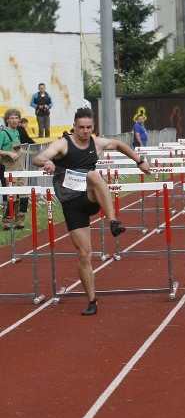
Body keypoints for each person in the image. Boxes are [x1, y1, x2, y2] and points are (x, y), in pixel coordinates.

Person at [32, 107, 152, 315]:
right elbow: (39, 157)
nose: (85, 131)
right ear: (74, 127)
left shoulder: (96, 144)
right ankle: (92, 301)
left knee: (94, 176)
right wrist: (48, 161)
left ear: (93, 127)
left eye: (89, 128)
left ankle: (113, 221)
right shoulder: (63, 144)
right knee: (84, 254)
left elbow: (119, 144)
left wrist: (140, 161)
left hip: (89, 197)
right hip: (71, 202)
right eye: (81, 128)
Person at [0, 109, 30, 229]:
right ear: (7, 120)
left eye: (17, 118)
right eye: (12, 118)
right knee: (10, 196)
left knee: (23, 194)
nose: (15, 120)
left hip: (19, 166)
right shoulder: (3, 133)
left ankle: (20, 221)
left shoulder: (17, 132)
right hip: (8, 167)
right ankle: (7, 223)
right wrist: (8, 153)